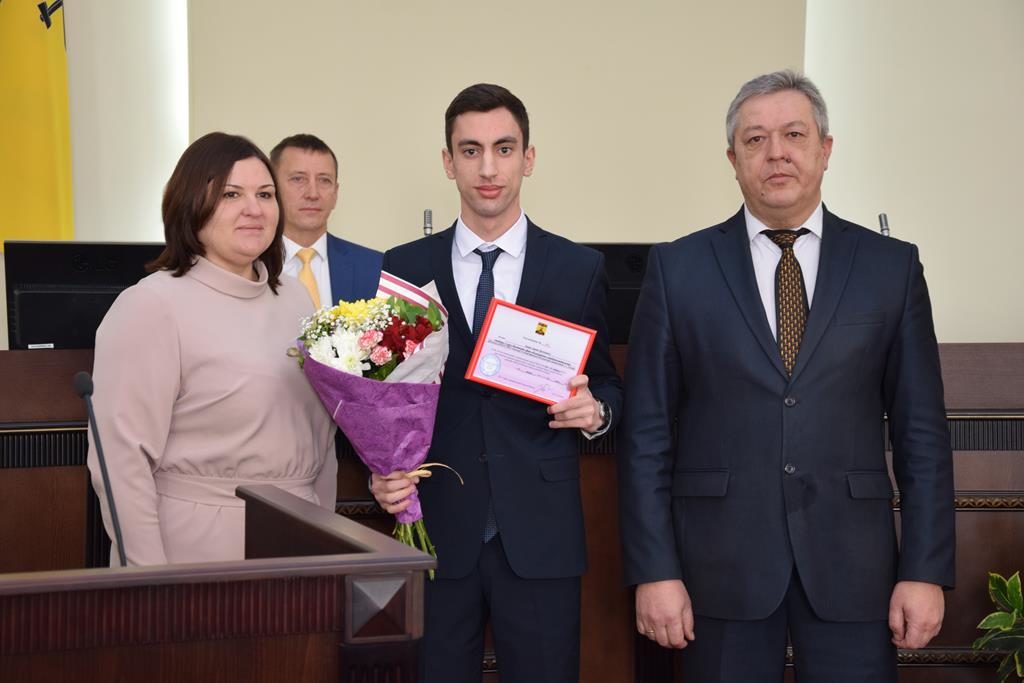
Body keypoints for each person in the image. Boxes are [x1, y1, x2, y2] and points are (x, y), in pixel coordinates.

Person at [619, 70, 956, 682]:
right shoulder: (677, 269)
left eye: (794, 135)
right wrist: (654, 570)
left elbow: (922, 435)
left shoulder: (891, 267)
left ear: (825, 149)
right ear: (733, 159)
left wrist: (925, 570)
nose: (776, 153)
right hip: (717, 570)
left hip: (855, 569)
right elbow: (645, 435)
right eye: (755, 139)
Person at [369, 83, 624, 683]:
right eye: (471, 150)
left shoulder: (578, 268)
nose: (488, 168)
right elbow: (384, 398)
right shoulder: (405, 265)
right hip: (436, 530)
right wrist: (382, 468)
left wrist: (596, 413)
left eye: (504, 149)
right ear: (448, 161)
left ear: (528, 159)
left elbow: (610, 388)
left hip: (542, 534)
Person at [88, 132, 338, 566]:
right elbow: (120, 463)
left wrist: (328, 543)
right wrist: (148, 581)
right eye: (231, 194)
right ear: (191, 204)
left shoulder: (297, 300)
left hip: (299, 538)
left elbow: (321, 441)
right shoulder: (151, 306)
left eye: (265, 194)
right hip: (195, 547)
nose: (254, 209)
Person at [270, 134, 382, 307]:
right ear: (272, 188)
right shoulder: (250, 266)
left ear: (335, 193)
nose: (313, 193)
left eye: (324, 180)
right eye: (298, 179)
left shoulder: (375, 267)